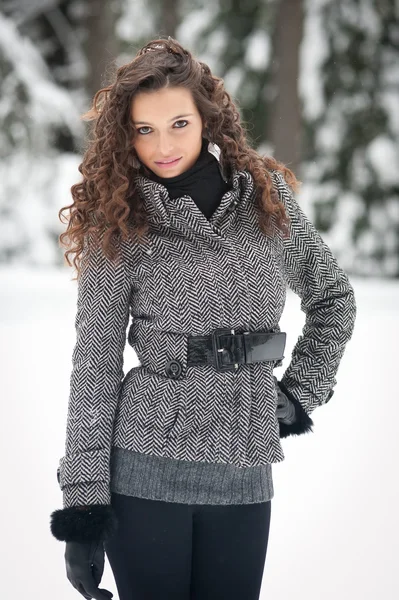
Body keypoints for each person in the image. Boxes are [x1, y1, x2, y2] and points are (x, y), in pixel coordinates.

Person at [49, 36, 357, 600]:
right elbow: (94, 363)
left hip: (244, 470)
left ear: (208, 120)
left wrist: (299, 396)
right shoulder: (119, 220)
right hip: (144, 469)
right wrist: (83, 508)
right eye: (144, 129)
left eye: (178, 123)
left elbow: (333, 298)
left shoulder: (266, 198)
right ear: (126, 134)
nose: (162, 145)